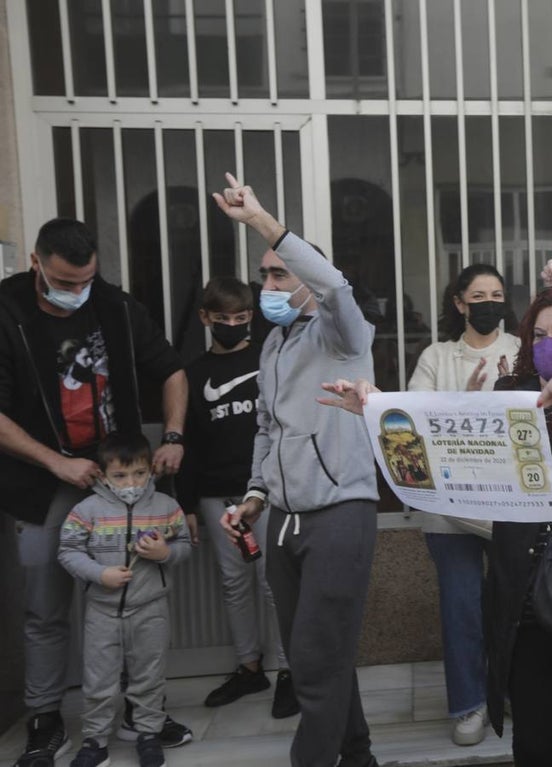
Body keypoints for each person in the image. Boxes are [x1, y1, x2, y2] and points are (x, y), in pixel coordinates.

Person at [319, 286, 552, 766]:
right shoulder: (512, 393)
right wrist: (378, 410)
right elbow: (449, 441)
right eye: (540, 334)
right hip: (521, 585)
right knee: (532, 736)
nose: (549, 342)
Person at [0, 218, 193, 766]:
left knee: (133, 595)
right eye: (66, 280)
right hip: (41, 480)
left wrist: (173, 436)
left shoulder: (115, 306)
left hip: (121, 477)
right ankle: (44, 715)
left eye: (86, 279)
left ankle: (140, 710)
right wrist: (56, 462)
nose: (78, 291)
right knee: (44, 602)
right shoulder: (6, 311)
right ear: (36, 263)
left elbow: (172, 370)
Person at [212, 173, 381, 767]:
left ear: (306, 277)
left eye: (280, 272)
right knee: (323, 654)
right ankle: (358, 757)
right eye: (264, 274)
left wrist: (263, 222)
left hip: (341, 514)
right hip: (282, 518)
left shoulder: (345, 335)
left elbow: (335, 287)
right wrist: (256, 494)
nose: (269, 283)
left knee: (311, 660)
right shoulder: (275, 344)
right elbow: (267, 427)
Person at [405, 263, 520, 746]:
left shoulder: (519, 349)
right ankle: (469, 704)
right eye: (479, 295)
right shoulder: (437, 356)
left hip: (510, 502)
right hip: (449, 505)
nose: (489, 302)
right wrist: (465, 401)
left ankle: (513, 689)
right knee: (462, 606)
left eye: (496, 294)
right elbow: (414, 415)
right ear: (460, 303)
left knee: (516, 604)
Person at [176, 275, 298, 718]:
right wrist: (186, 504)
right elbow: (186, 442)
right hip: (213, 495)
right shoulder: (191, 373)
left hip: (264, 491)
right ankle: (250, 668)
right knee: (234, 584)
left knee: (274, 584)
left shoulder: (269, 357)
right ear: (205, 318)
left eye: (242, 318)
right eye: (223, 318)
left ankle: (290, 672)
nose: (233, 325)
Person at [57, 432, 191, 767]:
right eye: (120, 475)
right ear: (103, 475)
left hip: (151, 608)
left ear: (150, 471)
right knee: (99, 679)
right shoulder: (86, 510)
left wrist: (164, 553)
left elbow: (184, 546)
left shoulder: (165, 507)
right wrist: (98, 575)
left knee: (149, 675)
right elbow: (68, 551)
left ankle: (147, 733)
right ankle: (95, 741)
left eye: (139, 474)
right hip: (102, 611)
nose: (131, 482)